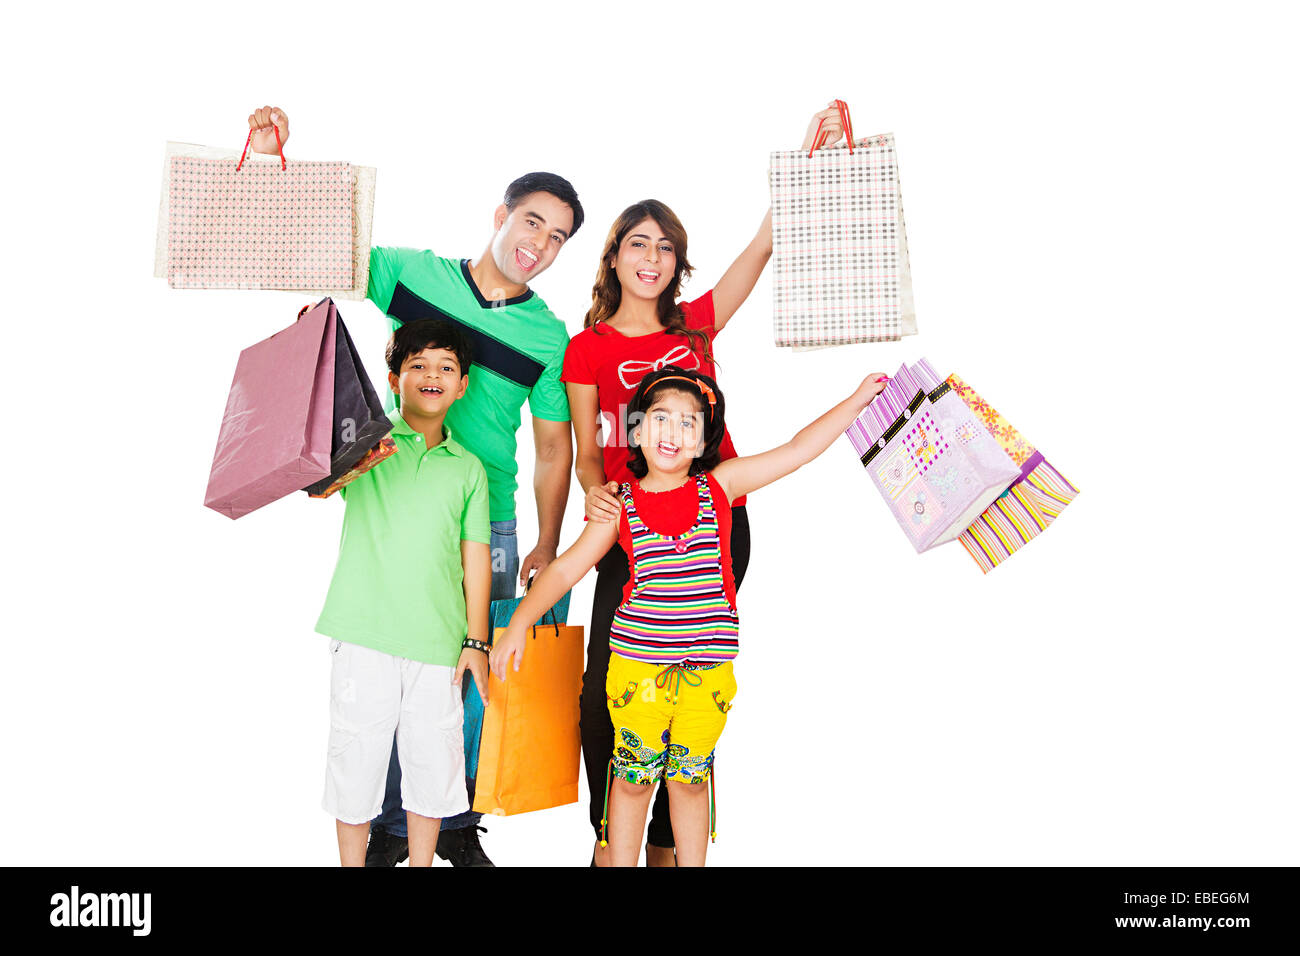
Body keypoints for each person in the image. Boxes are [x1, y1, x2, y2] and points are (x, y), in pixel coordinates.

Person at [246, 106, 582, 866]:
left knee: (464, 678)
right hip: (400, 499)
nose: (539, 245)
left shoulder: (549, 335)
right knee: (390, 666)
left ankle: (443, 826)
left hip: (486, 515)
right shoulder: (417, 275)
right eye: (531, 222)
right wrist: (278, 164)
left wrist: (547, 541)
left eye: (557, 238)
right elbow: (328, 252)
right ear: (500, 214)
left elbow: (554, 450)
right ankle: (383, 831)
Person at [560, 103, 852, 865]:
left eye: (665, 248)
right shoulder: (585, 347)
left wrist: (804, 158)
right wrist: (594, 498)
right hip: (625, 525)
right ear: (615, 257)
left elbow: (763, 247)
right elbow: (590, 446)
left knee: (690, 676)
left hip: (713, 519)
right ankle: (611, 837)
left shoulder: (695, 326)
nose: (651, 258)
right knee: (606, 696)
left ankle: (673, 846)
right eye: (637, 244)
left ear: (676, 263)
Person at [491, 366, 889, 866]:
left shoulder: (720, 487)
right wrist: (520, 625)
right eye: (661, 419)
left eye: (687, 424)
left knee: (690, 783)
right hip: (638, 677)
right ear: (635, 431)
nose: (672, 433)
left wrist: (856, 400)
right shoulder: (620, 503)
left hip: (707, 679)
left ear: (703, 442)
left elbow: (796, 449)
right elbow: (568, 567)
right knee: (631, 786)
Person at [318, 319, 491, 867]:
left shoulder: (469, 470)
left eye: (445, 367)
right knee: (357, 763)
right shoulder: (368, 444)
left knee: (431, 768)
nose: (431, 375)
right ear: (394, 379)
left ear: (463, 384)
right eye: (416, 365)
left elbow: (476, 560)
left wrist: (476, 642)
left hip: (437, 643)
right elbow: (317, 476)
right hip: (363, 632)